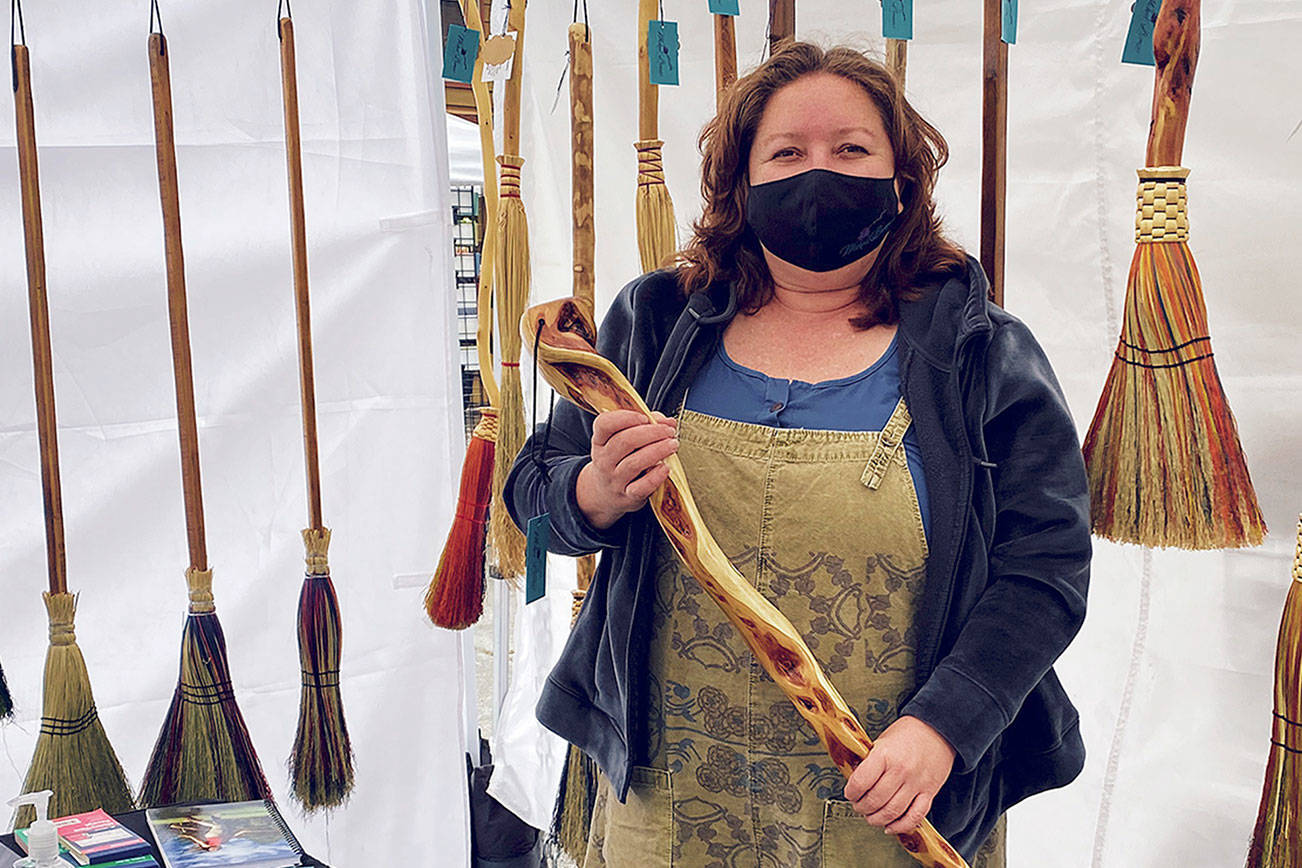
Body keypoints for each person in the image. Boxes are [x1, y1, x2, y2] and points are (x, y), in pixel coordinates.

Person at [506, 41, 1090, 867]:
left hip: (888, 799)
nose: (819, 173)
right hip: (674, 797)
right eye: (787, 152)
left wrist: (944, 727)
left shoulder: (978, 353)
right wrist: (596, 490)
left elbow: (1046, 568)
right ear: (741, 184)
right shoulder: (661, 323)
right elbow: (532, 494)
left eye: (850, 150)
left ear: (901, 182)